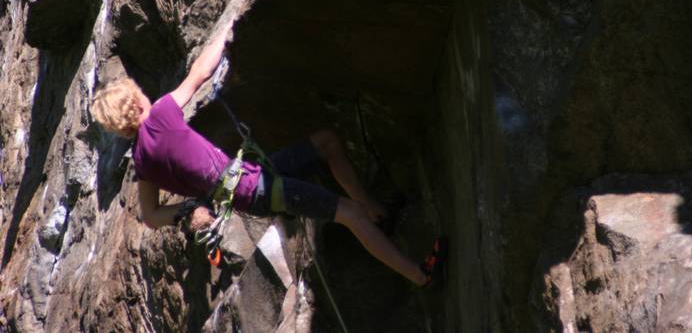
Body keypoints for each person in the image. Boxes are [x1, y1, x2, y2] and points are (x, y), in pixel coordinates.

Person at [90, 25, 445, 286]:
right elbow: (199, 74)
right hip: (256, 186)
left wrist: (185, 210)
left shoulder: (142, 163)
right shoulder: (161, 115)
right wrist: (227, 31)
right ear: (136, 102)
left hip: (251, 182)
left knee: (326, 143)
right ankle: (417, 273)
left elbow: (150, 216)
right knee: (346, 213)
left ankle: (375, 210)